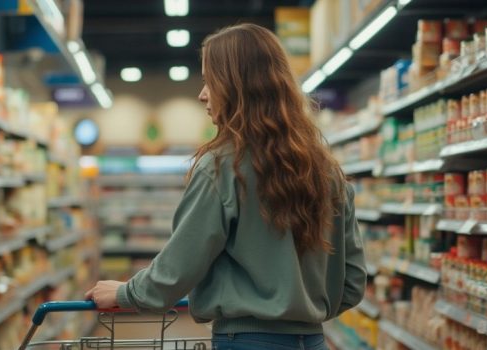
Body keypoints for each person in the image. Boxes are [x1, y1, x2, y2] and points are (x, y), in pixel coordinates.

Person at [85, 23, 366, 350]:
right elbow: (353, 282)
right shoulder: (326, 170)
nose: (202, 93)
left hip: (246, 341)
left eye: (209, 80)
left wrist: (125, 293)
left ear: (236, 85)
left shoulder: (222, 167)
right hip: (312, 341)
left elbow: (178, 268)